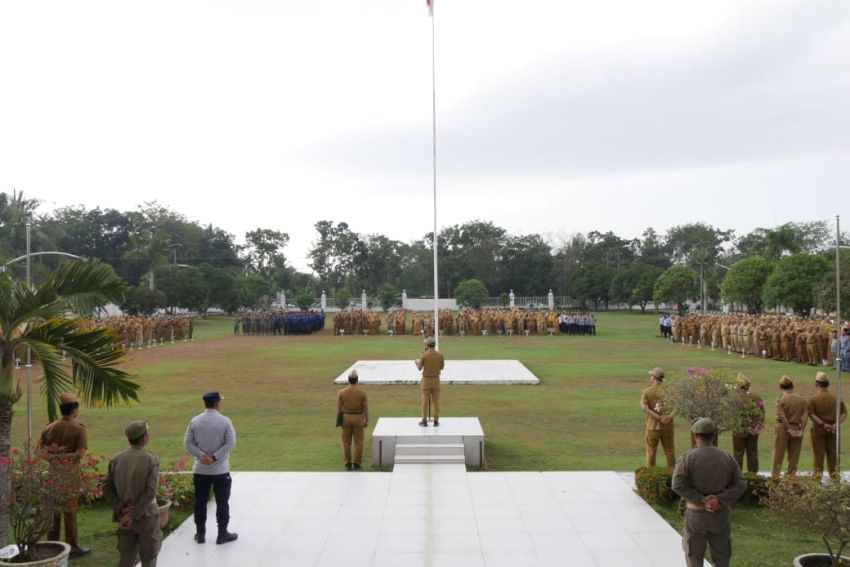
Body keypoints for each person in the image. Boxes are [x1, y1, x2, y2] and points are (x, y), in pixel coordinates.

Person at [672, 417, 747, 567]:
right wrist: (718, 500)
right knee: (722, 557)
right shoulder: (727, 457)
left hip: (695, 515)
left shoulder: (688, 458)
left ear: (695, 436)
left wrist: (701, 499)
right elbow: (741, 484)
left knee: (694, 556)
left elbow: (677, 484)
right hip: (720, 514)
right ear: (714, 435)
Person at [38, 392, 91, 559]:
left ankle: (52, 546)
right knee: (70, 512)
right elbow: (80, 454)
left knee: (54, 512)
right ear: (74, 409)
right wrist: (64, 458)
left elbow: (39, 453)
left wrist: (54, 459)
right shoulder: (79, 429)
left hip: (52, 475)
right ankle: (73, 548)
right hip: (69, 476)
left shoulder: (49, 427)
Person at [103, 420, 162, 567]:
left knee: (125, 557)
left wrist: (122, 509)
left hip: (123, 517)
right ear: (144, 438)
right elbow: (150, 492)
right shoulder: (150, 459)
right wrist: (134, 514)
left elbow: (107, 488)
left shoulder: (116, 458)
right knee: (149, 557)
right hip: (146, 516)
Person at [183, 391, 238, 545]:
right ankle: (222, 534)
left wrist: (202, 456)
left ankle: (200, 534)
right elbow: (230, 444)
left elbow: (187, 444)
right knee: (222, 502)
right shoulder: (225, 421)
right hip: (220, 471)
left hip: (201, 470)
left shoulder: (195, 421)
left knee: (200, 502)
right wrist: (214, 457)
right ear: (217, 403)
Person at [807, 371, 848, 478]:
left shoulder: (813, 399)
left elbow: (810, 414)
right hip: (833, 431)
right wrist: (835, 425)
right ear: (828, 384)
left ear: (816, 384)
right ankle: (834, 480)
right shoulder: (836, 398)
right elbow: (844, 413)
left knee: (818, 457)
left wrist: (823, 424)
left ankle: (816, 479)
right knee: (832, 457)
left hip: (818, 430)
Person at [771, 375, 808, 478]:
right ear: (792, 385)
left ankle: (775, 476)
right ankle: (791, 475)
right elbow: (805, 415)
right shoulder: (802, 399)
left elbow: (782, 416)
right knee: (794, 454)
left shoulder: (780, 399)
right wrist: (802, 430)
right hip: (796, 427)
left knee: (778, 452)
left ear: (781, 387)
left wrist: (789, 430)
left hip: (783, 428)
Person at [641, 367, 676, 467]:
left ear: (654, 377)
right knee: (669, 451)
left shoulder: (647, 391)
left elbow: (645, 408)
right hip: (667, 426)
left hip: (652, 427)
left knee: (651, 451)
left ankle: (651, 475)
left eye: (651, 376)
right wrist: (669, 417)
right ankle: (672, 474)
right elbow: (677, 406)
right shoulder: (670, 390)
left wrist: (658, 417)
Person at [731, 375, 765, 474]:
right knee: (753, 453)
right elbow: (762, 414)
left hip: (739, 430)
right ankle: (753, 476)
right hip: (753, 430)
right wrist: (756, 428)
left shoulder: (735, 398)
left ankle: (738, 475)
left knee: (738, 454)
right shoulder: (756, 397)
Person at [337, 369, 369, 470]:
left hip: (346, 417)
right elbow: (365, 409)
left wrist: (339, 422)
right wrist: (366, 420)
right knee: (358, 442)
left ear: (348, 380)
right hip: (358, 418)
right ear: (357, 380)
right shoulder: (362, 393)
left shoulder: (341, 392)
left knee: (346, 442)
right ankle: (356, 463)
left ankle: (347, 463)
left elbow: (339, 410)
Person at [415, 336, 444, 426]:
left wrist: (416, 362)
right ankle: (436, 420)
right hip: (436, 379)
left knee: (425, 401)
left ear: (427, 345)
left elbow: (420, 368)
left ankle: (424, 420)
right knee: (436, 401)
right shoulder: (440, 355)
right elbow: (442, 367)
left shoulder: (424, 355)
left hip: (426, 380)